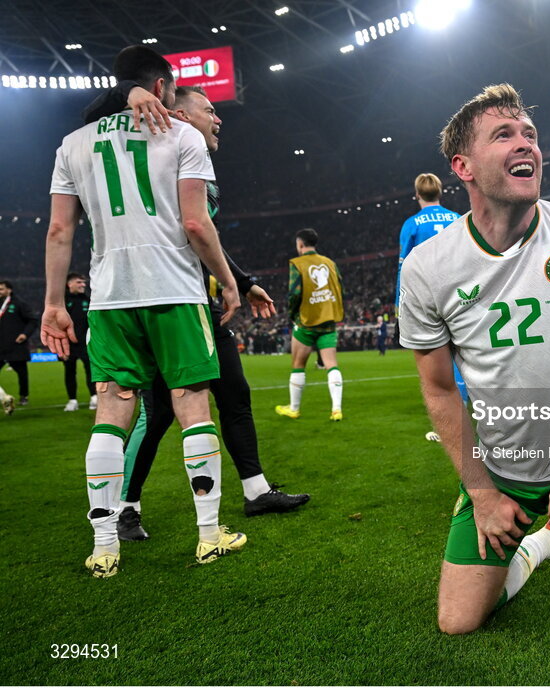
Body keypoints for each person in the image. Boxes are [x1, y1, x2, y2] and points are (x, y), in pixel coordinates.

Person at [399, 84, 550, 659]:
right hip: (500, 472)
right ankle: (536, 546)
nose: (525, 144)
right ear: (462, 166)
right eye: (503, 134)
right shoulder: (428, 268)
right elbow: (437, 389)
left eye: (530, 134)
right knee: (457, 621)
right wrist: (480, 492)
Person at [41, 45, 246, 578]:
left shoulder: (72, 145)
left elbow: (61, 230)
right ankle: (208, 536)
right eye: (174, 92)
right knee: (191, 403)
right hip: (174, 289)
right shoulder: (182, 137)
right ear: (160, 88)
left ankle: (104, 545)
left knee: (112, 409)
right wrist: (228, 282)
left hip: (110, 295)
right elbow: (197, 224)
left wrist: (54, 303)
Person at [81, 82, 310, 535]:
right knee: (160, 412)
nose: (218, 117)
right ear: (181, 115)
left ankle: (256, 490)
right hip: (164, 303)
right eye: (208, 110)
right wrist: (130, 91)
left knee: (235, 395)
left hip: (196, 300)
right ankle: (125, 506)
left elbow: (202, 235)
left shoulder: (188, 158)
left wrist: (242, 283)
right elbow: (191, 227)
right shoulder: (158, 157)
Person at [395, 172, 469, 438]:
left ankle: (450, 421)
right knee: (464, 354)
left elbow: (404, 267)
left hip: (429, 297)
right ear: (440, 192)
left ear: (417, 195)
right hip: (461, 293)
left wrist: (398, 302)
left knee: (437, 359)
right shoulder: (458, 218)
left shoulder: (412, 224)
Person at [276, 228, 345, 421]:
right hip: (328, 320)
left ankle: (294, 408)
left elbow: (294, 292)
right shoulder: (329, 263)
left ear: (300, 244)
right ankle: (336, 409)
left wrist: (292, 314)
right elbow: (340, 287)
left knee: (298, 365)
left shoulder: (297, 264)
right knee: (331, 365)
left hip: (306, 322)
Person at [62, 273, 97, 412]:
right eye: (79, 282)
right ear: (69, 284)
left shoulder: (88, 300)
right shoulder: (62, 301)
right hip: (68, 344)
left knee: (91, 371)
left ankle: (94, 397)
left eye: (83, 282)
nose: (83, 284)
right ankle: (72, 400)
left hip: (86, 344)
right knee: (69, 372)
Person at [0, 280, 36, 405]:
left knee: (22, 373)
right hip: (0, 346)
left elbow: (32, 320)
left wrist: (25, 334)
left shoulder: (19, 303)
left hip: (16, 346)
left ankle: (24, 396)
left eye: (1, 289)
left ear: (9, 290)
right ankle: (3, 397)